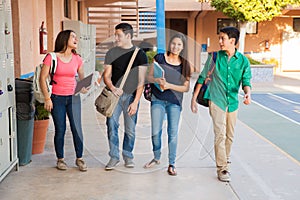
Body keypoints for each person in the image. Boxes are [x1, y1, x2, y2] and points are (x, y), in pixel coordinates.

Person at [191, 26, 252, 182]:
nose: (219, 41)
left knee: (229, 135)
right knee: (220, 134)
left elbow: (246, 81)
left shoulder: (243, 61)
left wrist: (247, 92)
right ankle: (222, 168)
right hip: (216, 99)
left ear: (232, 41)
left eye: (222, 38)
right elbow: (202, 77)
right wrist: (194, 99)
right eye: (219, 38)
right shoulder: (214, 58)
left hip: (232, 102)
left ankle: (224, 158)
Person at [40, 30, 89, 172]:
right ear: (64, 39)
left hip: (73, 98)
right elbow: (42, 78)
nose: (76, 39)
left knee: (77, 128)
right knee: (60, 129)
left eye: (76, 37)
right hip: (57, 98)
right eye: (73, 36)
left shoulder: (77, 59)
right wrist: (47, 98)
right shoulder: (51, 57)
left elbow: (82, 79)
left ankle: (79, 158)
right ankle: (60, 159)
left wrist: (84, 87)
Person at [144, 33, 191, 176]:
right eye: (173, 43)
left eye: (179, 45)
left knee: (172, 133)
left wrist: (169, 85)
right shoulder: (159, 58)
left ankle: (171, 164)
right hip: (157, 99)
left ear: (183, 48)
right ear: (169, 44)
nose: (175, 47)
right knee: (155, 132)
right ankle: (157, 157)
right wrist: (157, 81)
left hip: (174, 102)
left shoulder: (185, 64)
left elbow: (186, 87)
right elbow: (149, 76)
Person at [103, 23, 148, 170]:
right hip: (114, 96)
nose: (116, 38)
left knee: (130, 129)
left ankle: (128, 156)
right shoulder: (111, 53)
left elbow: (142, 81)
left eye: (118, 35)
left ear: (128, 36)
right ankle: (114, 157)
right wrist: (112, 88)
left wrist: (135, 102)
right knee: (111, 126)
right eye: (115, 35)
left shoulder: (139, 54)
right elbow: (107, 76)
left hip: (131, 97)